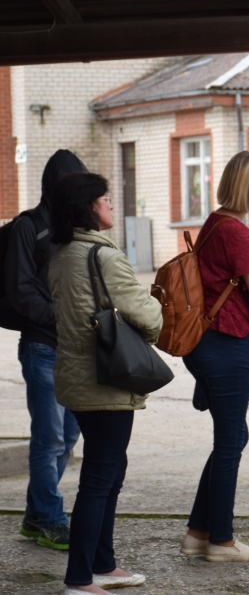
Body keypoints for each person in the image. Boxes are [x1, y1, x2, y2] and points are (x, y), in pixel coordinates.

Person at [49, 172, 161, 594]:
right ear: (90, 207)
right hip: (105, 380)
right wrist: (157, 308)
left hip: (78, 378)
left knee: (110, 469)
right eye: (105, 198)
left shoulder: (62, 255)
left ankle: (103, 564)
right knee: (100, 477)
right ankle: (80, 578)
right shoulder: (103, 256)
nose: (111, 204)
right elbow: (146, 315)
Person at [180, 151, 249, 563]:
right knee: (230, 441)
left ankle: (198, 533)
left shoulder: (213, 224)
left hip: (206, 343)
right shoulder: (238, 233)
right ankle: (221, 542)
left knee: (232, 437)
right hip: (226, 342)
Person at [4, 149, 87, 550]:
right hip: (42, 347)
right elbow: (21, 291)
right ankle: (53, 519)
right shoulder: (29, 226)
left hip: (75, 350)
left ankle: (35, 516)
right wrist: (60, 319)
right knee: (49, 438)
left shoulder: (76, 228)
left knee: (68, 435)